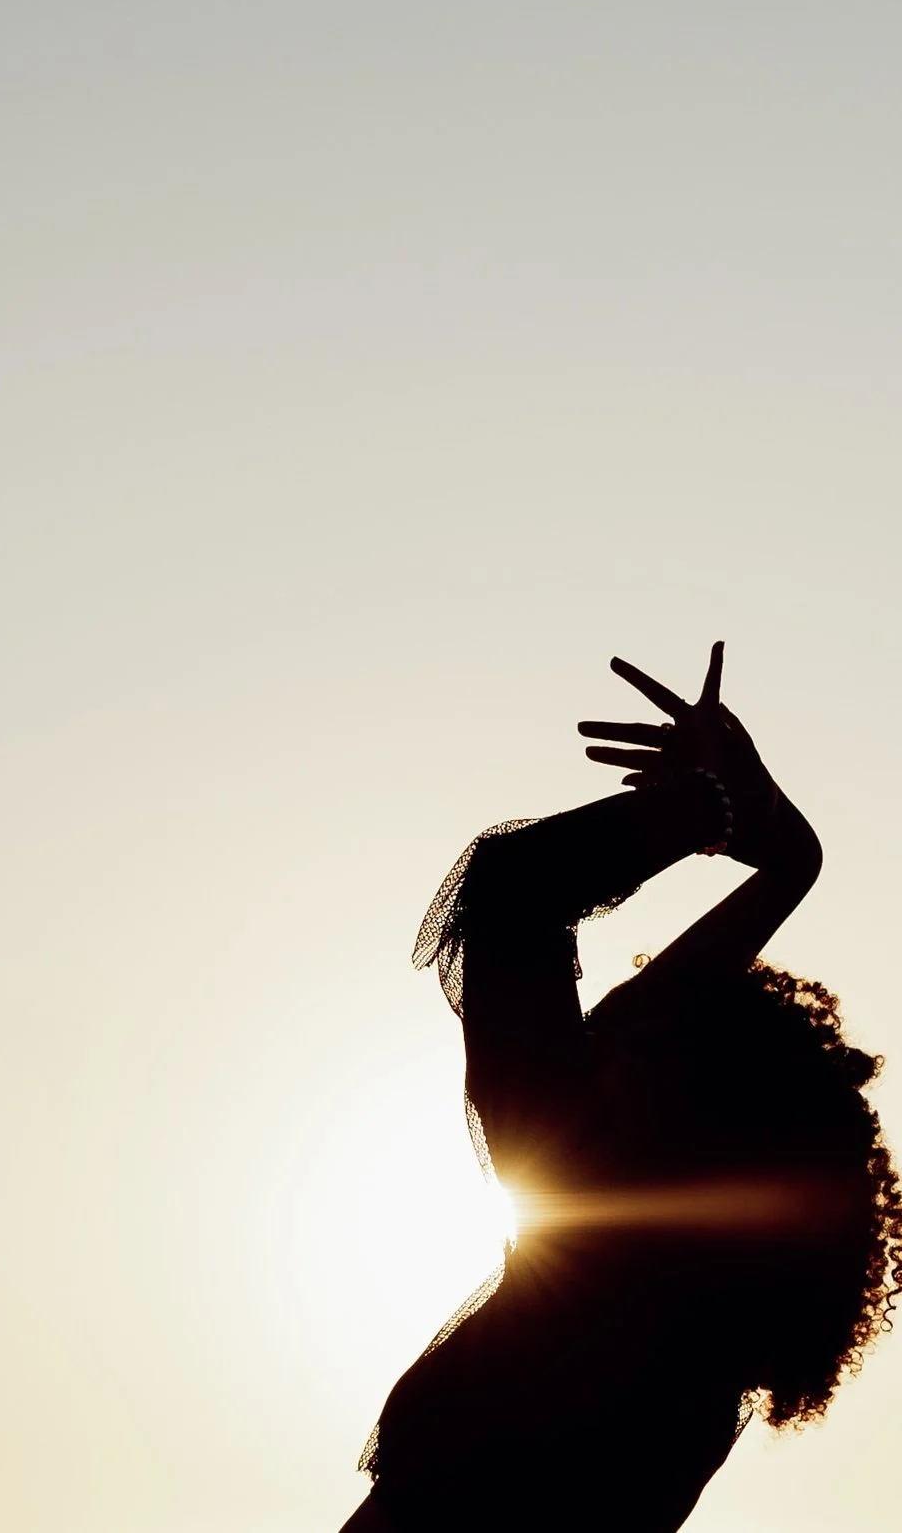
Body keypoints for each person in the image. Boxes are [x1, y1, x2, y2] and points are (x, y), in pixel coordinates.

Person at [339, 644, 902, 1533]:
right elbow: (655, 1008)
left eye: (627, 1032)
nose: (596, 1029)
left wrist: (705, 812)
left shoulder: (592, 1256)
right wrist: (787, 862)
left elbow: (508, 896)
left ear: (691, 1107)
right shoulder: (695, 1355)